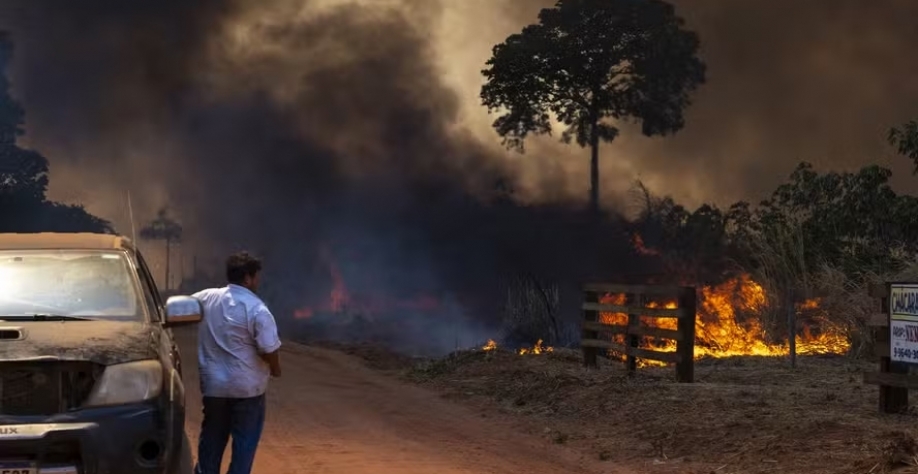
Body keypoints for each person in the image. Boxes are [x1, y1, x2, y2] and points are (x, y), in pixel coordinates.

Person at [191, 251, 282, 474]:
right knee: (244, 445)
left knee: (211, 442)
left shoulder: (206, 298)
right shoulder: (257, 309)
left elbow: (177, 308)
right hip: (247, 390)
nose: (258, 281)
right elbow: (269, 349)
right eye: (256, 277)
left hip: (214, 389)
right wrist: (276, 369)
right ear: (248, 278)